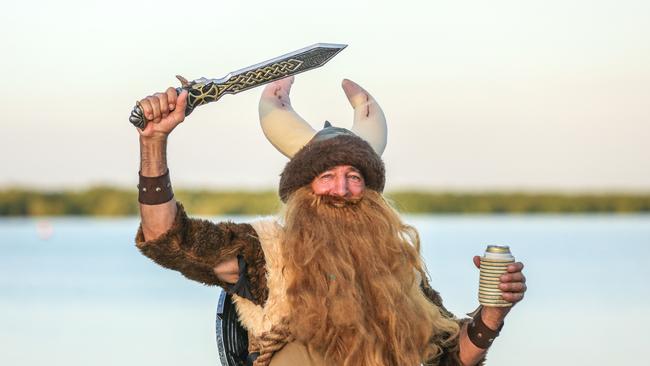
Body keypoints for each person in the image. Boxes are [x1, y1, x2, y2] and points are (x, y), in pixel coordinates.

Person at [133, 76, 527, 366]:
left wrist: (492, 313)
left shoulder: (397, 266)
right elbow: (167, 238)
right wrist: (154, 142)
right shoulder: (264, 252)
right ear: (304, 190)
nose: (341, 189)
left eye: (354, 177)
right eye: (327, 177)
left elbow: (450, 360)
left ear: (371, 193)